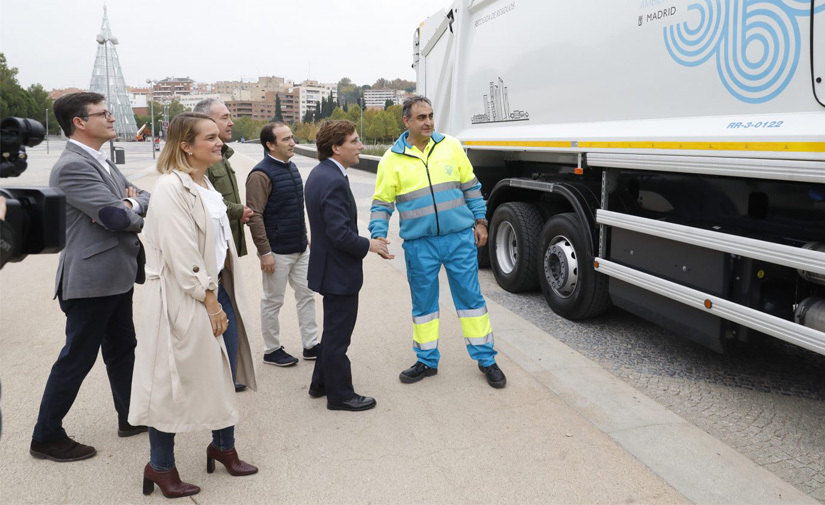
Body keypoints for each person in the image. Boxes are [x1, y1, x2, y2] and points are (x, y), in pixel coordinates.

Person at [128, 113, 258, 498]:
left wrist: (222, 293)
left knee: (223, 371)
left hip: (215, 291)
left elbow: (219, 244)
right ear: (186, 145)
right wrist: (211, 301)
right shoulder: (170, 189)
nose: (219, 142)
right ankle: (160, 466)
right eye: (210, 137)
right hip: (186, 297)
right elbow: (183, 255)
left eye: (219, 136)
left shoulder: (205, 185)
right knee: (171, 381)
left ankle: (223, 446)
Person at [29, 92, 151, 463]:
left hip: (115, 274)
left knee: (122, 348)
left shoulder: (99, 158)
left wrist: (131, 201)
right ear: (80, 122)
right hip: (92, 279)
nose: (111, 118)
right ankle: (46, 436)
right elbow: (116, 218)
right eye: (103, 113)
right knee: (77, 357)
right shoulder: (72, 166)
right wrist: (129, 205)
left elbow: (143, 195)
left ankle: (129, 416)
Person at [369, 95, 507, 389]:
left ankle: (486, 359)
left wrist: (480, 222)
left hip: (459, 238)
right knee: (424, 306)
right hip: (420, 245)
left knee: (471, 302)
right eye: (421, 117)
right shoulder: (392, 159)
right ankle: (426, 361)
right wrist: (378, 234)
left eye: (430, 116)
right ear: (406, 121)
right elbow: (382, 202)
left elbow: (471, 187)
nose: (428, 122)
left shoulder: (451, 146)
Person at [304, 120, 392, 411]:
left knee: (333, 331)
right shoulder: (334, 180)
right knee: (339, 337)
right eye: (354, 141)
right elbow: (339, 234)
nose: (361, 146)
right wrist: (371, 245)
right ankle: (341, 395)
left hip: (329, 269)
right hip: (339, 273)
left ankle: (320, 383)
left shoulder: (320, 174)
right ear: (336, 148)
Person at [246, 122, 320, 367]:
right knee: (273, 300)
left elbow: (295, 208)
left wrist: (304, 234)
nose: (292, 143)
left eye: (292, 138)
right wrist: (264, 252)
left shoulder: (292, 167)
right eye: (286, 139)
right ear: (270, 145)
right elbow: (254, 215)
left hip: (300, 247)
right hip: (276, 251)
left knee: (307, 295)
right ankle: (272, 349)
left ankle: (311, 345)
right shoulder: (260, 174)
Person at [193, 98, 254, 392]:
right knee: (217, 315)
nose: (231, 123)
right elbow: (211, 202)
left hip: (222, 249)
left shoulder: (223, 155)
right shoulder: (189, 175)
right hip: (210, 259)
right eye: (225, 118)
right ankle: (221, 380)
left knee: (227, 314)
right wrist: (237, 211)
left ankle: (227, 376)